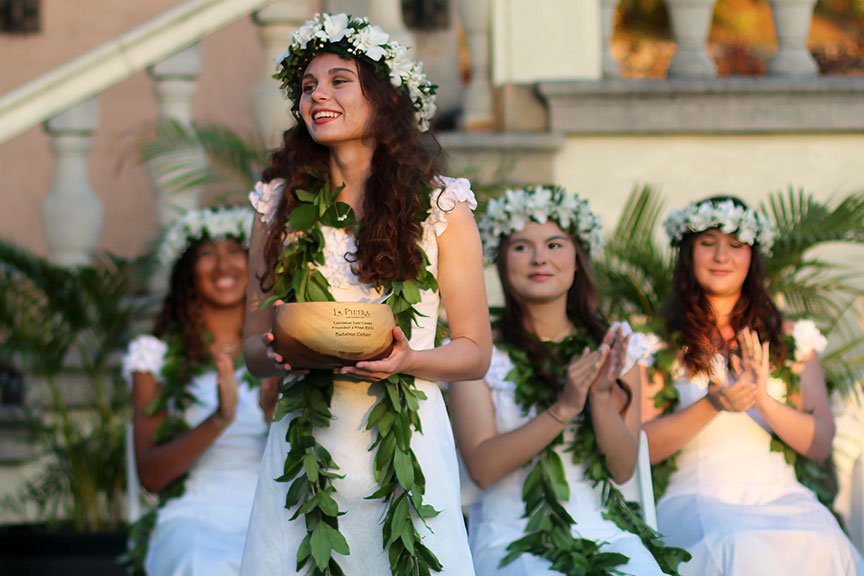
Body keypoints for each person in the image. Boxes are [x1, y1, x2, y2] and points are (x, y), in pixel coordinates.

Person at [239, 13, 491, 576]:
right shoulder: (276, 206)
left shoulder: (441, 207)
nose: (317, 96)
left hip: (407, 448)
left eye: (338, 80)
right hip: (306, 446)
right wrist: (279, 350)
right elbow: (253, 350)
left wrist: (409, 360)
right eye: (307, 87)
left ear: (384, 98)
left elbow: (475, 352)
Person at [449, 185, 687, 576]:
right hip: (513, 540)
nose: (540, 258)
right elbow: (484, 467)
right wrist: (564, 408)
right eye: (522, 246)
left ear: (578, 260)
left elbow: (623, 469)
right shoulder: (477, 352)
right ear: (502, 261)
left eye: (555, 244)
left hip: (607, 536)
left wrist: (601, 397)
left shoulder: (616, 348)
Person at [643, 196, 864, 576]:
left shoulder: (793, 340)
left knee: (824, 541)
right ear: (687, 254)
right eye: (707, 243)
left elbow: (820, 443)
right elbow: (639, 448)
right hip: (698, 496)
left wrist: (760, 399)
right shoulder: (660, 345)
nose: (721, 257)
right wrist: (712, 404)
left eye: (735, 244)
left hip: (781, 494)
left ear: (752, 256)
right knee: (735, 544)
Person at [123, 205, 271, 576]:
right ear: (188, 271)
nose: (223, 267)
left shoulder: (279, 350)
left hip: (270, 513)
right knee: (203, 565)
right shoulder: (154, 357)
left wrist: (274, 408)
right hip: (195, 516)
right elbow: (152, 476)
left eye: (234, 251)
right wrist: (220, 419)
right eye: (207, 254)